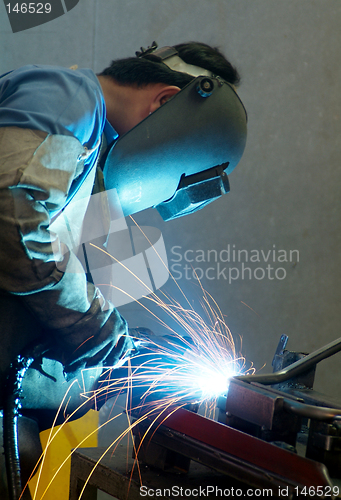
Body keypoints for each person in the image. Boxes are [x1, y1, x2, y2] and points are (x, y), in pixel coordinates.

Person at [0, 41, 243, 497]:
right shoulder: (69, 98)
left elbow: (65, 286)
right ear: (166, 101)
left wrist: (127, 355)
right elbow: (12, 216)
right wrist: (93, 326)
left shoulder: (93, 156)